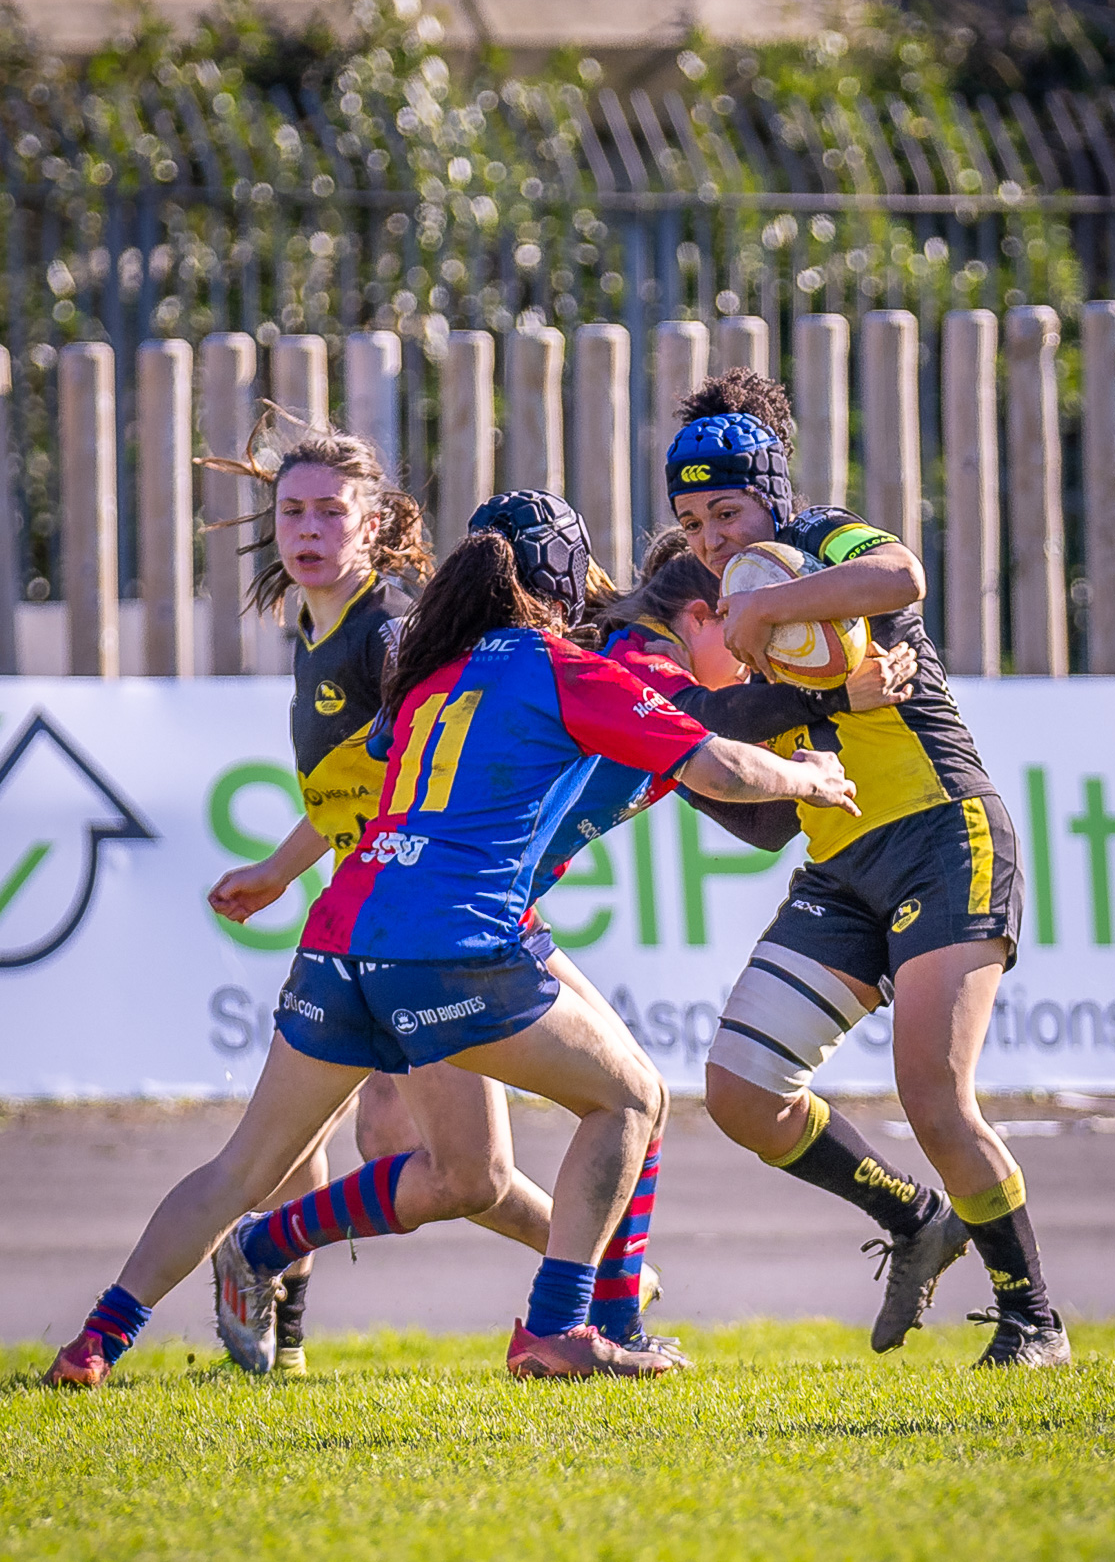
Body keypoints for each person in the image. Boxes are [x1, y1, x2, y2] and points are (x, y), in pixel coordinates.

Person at [45, 493, 857, 1389]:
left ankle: (95, 1344)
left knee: (248, 1166)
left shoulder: (428, 672)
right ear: (558, 579)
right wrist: (807, 775)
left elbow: (368, 791)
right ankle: (559, 1328)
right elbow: (718, 764)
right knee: (628, 1099)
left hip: (343, 935)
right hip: (455, 939)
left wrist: (283, 869)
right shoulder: (561, 666)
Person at [665, 369, 1069, 1369]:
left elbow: (898, 580)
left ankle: (1031, 1319)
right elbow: (730, 756)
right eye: (691, 518)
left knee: (931, 1093)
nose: (712, 535)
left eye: (727, 509)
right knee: (738, 1088)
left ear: (773, 494)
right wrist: (832, 697)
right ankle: (912, 1219)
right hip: (840, 868)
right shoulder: (724, 598)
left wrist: (770, 615)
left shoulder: (818, 542)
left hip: (943, 833)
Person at [200, 430, 556, 1375]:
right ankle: (282, 1338)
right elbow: (351, 791)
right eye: (292, 511)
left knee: (428, 1153)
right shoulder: (316, 634)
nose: (307, 529)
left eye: (329, 511)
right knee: (321, 1134)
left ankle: (601, 1271)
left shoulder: (388, 626)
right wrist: (282, 868)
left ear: (375, 524)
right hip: (363, 914)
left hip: (419, 920)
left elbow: (436, 755)